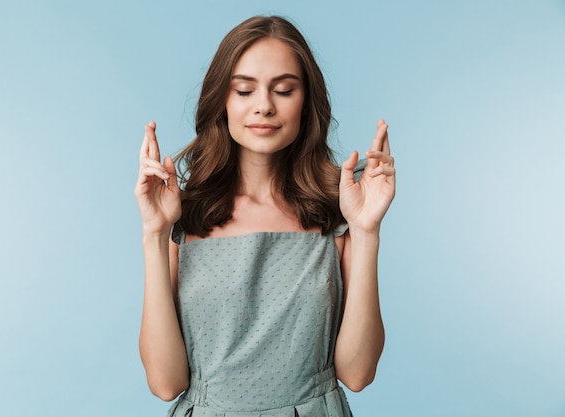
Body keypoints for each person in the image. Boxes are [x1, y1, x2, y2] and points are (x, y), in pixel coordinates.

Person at [134, 15, 395, 417]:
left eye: (284, 89)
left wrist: (366, 231)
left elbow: (358, 373)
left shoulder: (337, 212)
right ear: (222, 99)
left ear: (306, 101)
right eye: (243, 89)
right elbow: (166, 384)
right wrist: (154, 234)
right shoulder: (184, 218)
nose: (264, 106)